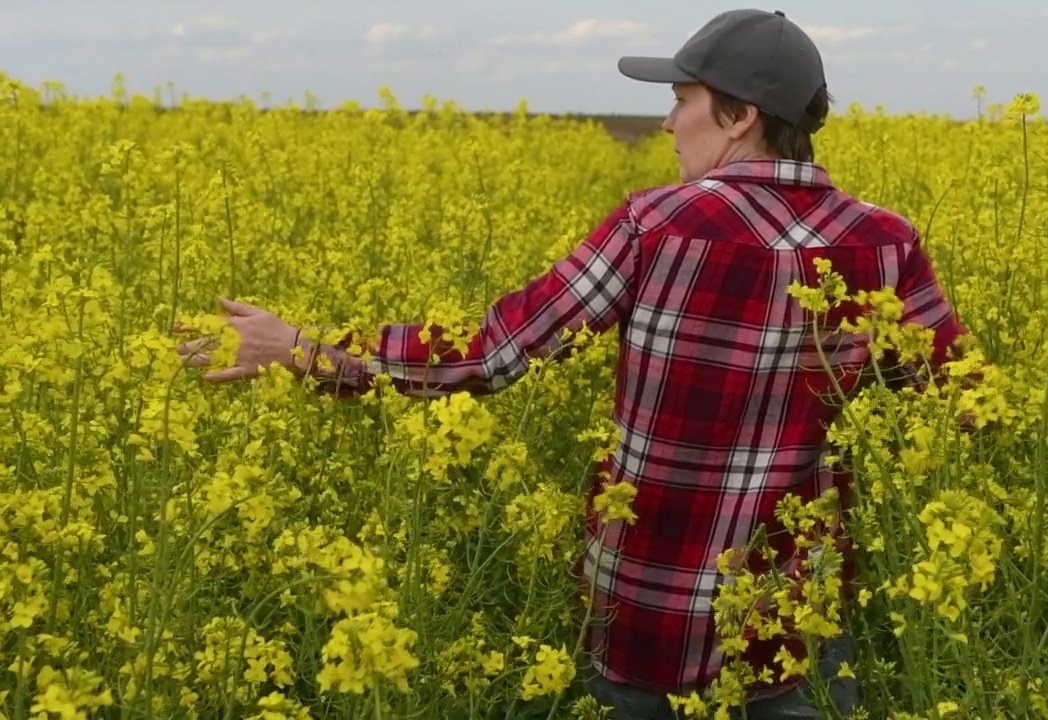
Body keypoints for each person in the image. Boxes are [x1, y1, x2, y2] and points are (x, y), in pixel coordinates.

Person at [176, 8, 968, 718]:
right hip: (795, 627)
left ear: (737, 116)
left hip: (649, 621)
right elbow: (961, 402)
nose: (667, 123)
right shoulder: (886, 243)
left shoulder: (656, 224)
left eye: (682, 101)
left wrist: (304, 349)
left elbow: (492, 352)